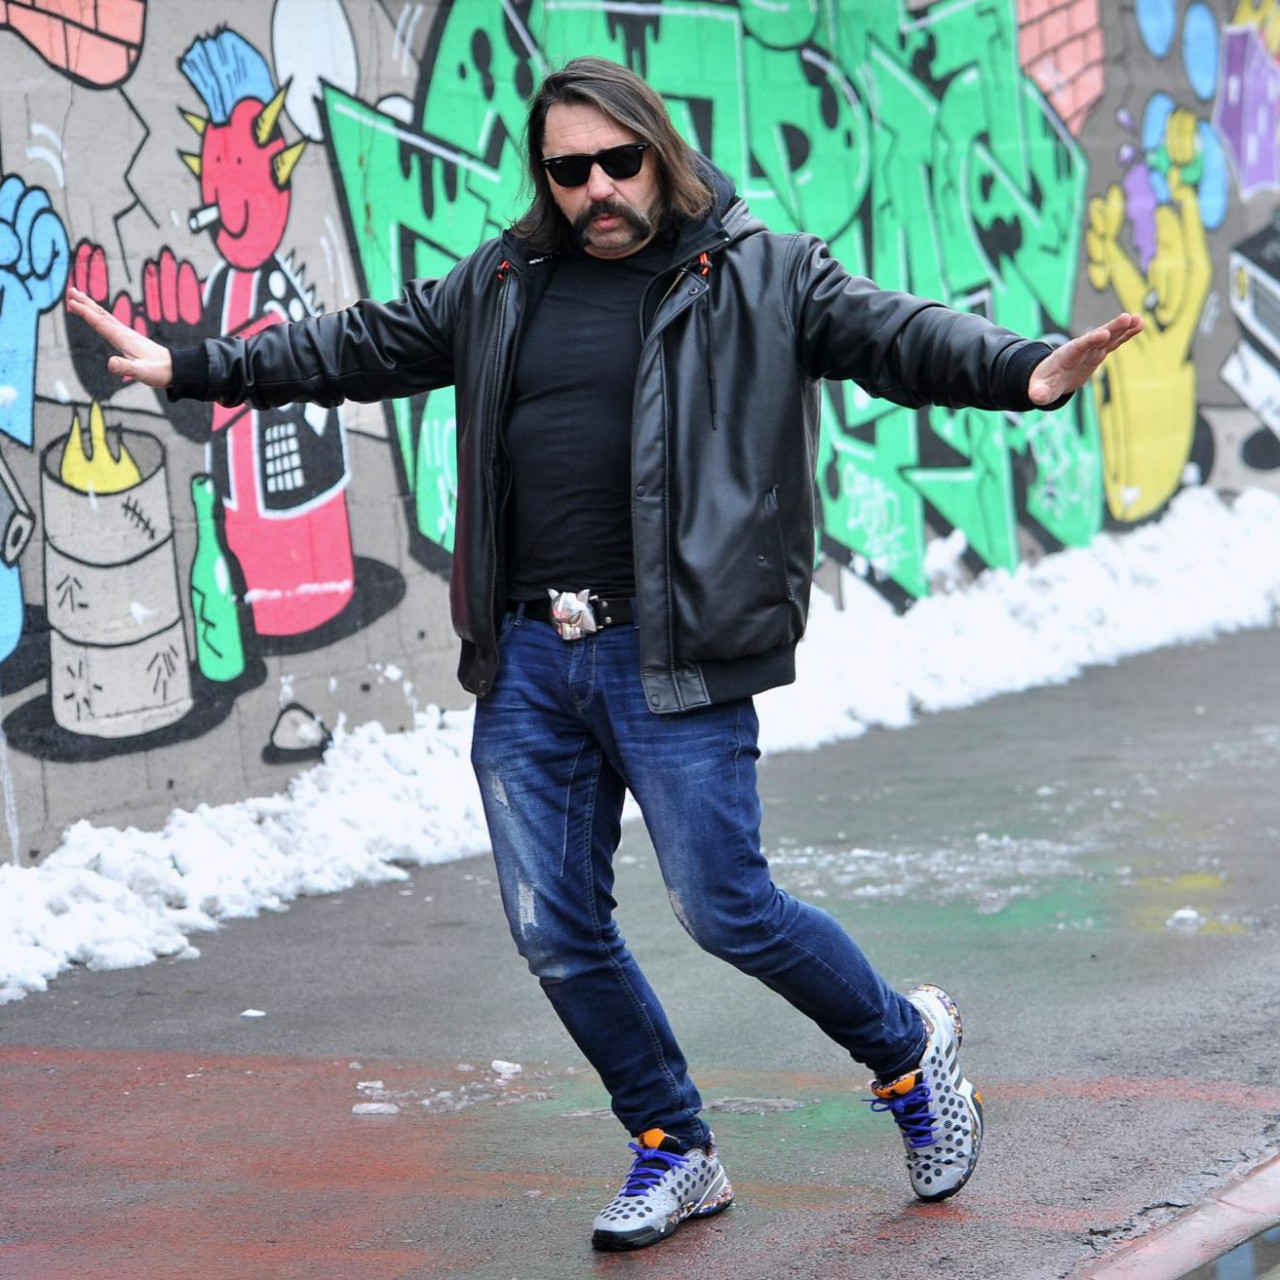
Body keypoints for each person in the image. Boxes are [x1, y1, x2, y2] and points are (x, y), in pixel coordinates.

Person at [69, 56, 1141, 1254]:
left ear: (656, 148)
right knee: (554, 926)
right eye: (566, 170)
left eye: (615, 161)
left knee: (726, 906)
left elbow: (895, 335)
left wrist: (1020, 370)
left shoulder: (760, 271)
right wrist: (192, 364)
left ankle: (906, 1048)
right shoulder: (501, 281)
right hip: (531, 653)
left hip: (670, 647)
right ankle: (673, 1143)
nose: (594, 189)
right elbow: (357, 344)